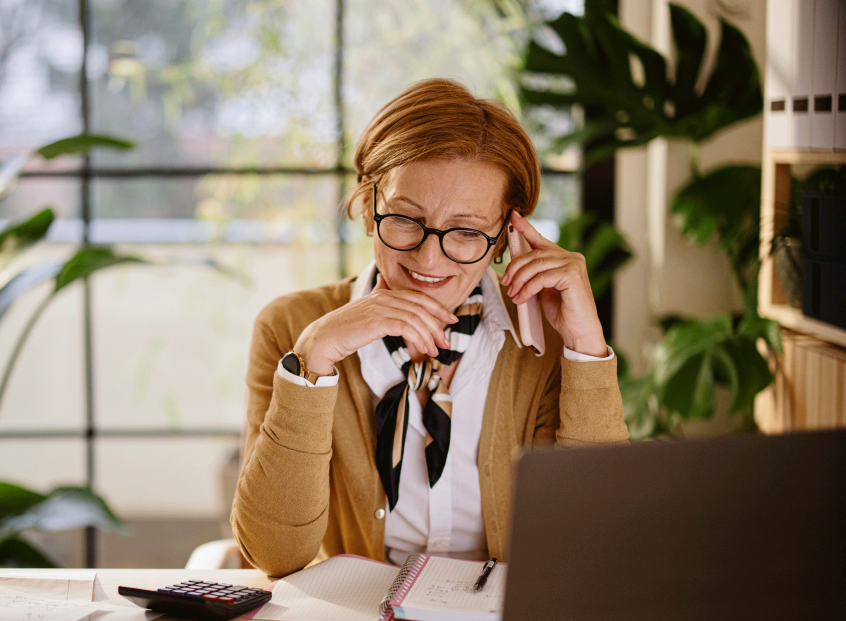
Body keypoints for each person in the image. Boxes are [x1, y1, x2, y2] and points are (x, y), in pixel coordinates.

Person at [231, 79, 630, 578]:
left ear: (507, 234)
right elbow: (272, 554)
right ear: (367, 206)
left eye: (465, 232)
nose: (427, 257)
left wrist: (586, 350)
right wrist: (314, 357)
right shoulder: (290, 327)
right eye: (404, 218)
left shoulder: (544, 341)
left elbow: (593, 545)